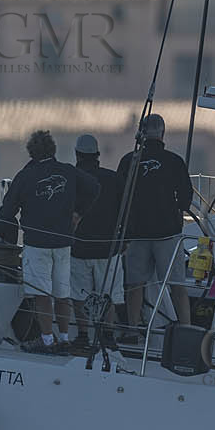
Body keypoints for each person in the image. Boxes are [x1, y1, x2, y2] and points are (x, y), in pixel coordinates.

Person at [0, 130, 100, 353]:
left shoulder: (25, 176)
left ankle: (47, 340)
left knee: (42, 294)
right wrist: (78, 213)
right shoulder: (68, 171)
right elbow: (94, 188)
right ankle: (64, 338)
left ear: (31, 152)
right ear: (53, 150)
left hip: (37, 245)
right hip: (63, 244)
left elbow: (7, 211)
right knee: (62, 293)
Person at [117, 114, 195, 330]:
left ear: (140, 133)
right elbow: (185, 198)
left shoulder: (129, 161)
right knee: (177, 285)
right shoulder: (174, 161)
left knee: (135, 285)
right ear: (163, 133)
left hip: (137, 234)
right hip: (168, 234)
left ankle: (133, 328)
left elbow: (120, 195)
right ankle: (186, 328)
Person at [69, 134, 125, 350]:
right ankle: (108, 334)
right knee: (107, 292)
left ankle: (83, 334)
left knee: (78, 293)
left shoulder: (72, 179)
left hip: (79, 248)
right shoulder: (113, 179)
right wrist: (123, 241)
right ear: (97, 155)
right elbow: (124, 212)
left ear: (77, 155)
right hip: (108, 249)